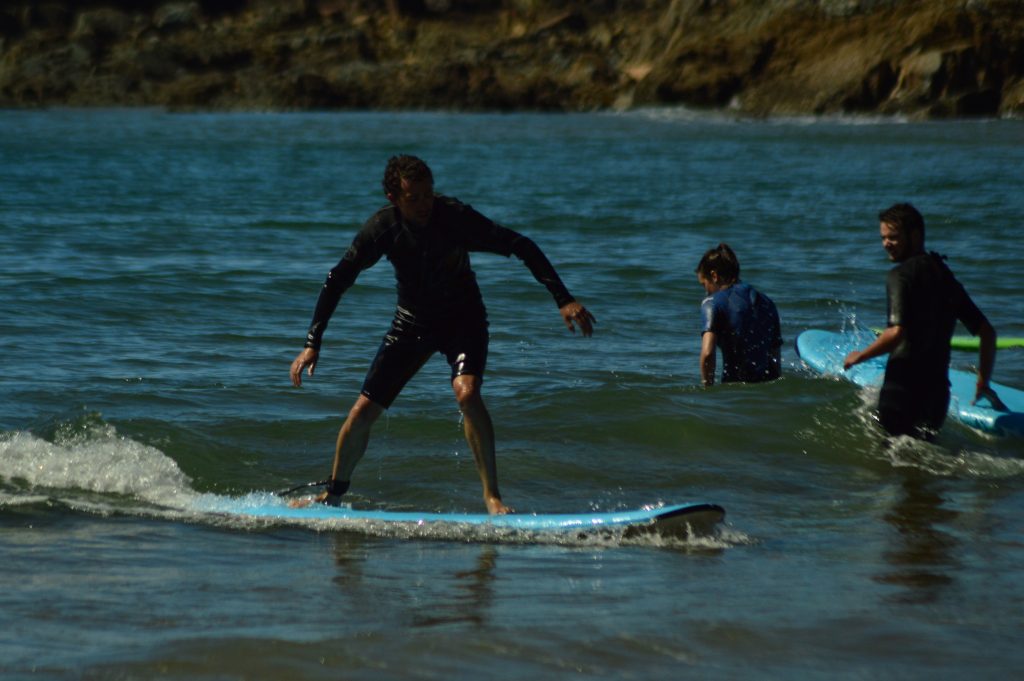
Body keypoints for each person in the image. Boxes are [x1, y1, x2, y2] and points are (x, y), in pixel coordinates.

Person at [289, 155, 596, 514]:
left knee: (467, 393)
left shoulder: (455, 217)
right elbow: (337, 280)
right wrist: (312, 344)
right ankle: (334, 494)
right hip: (411, 324)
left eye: (428, 195)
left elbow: (520, 245)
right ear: (393, 198)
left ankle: (492, 498)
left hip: (463, 319)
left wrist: (564, 299)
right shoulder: (381, 229)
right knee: (361, 412)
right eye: (413, 198)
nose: (424, 205)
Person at [843, 202, 1001, 440]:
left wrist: (860, 356)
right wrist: (983, 382)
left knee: (891, 462)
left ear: (915, 235)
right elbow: (987, 332)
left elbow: (897, 333)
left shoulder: (900, 276)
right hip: (936, 397)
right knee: (922, 466)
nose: (886, 244)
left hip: (902, 390)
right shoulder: (943, 274)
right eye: (883, 238)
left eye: (893, 237)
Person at [695, 243, 782, 387]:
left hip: (735, 394)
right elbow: (775, 358)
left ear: (714, 276)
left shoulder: (712, 303)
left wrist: (707, 389)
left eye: (704, 285)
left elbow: (708, 354)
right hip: (766, 394)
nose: (706, 292)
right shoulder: (767, 302)